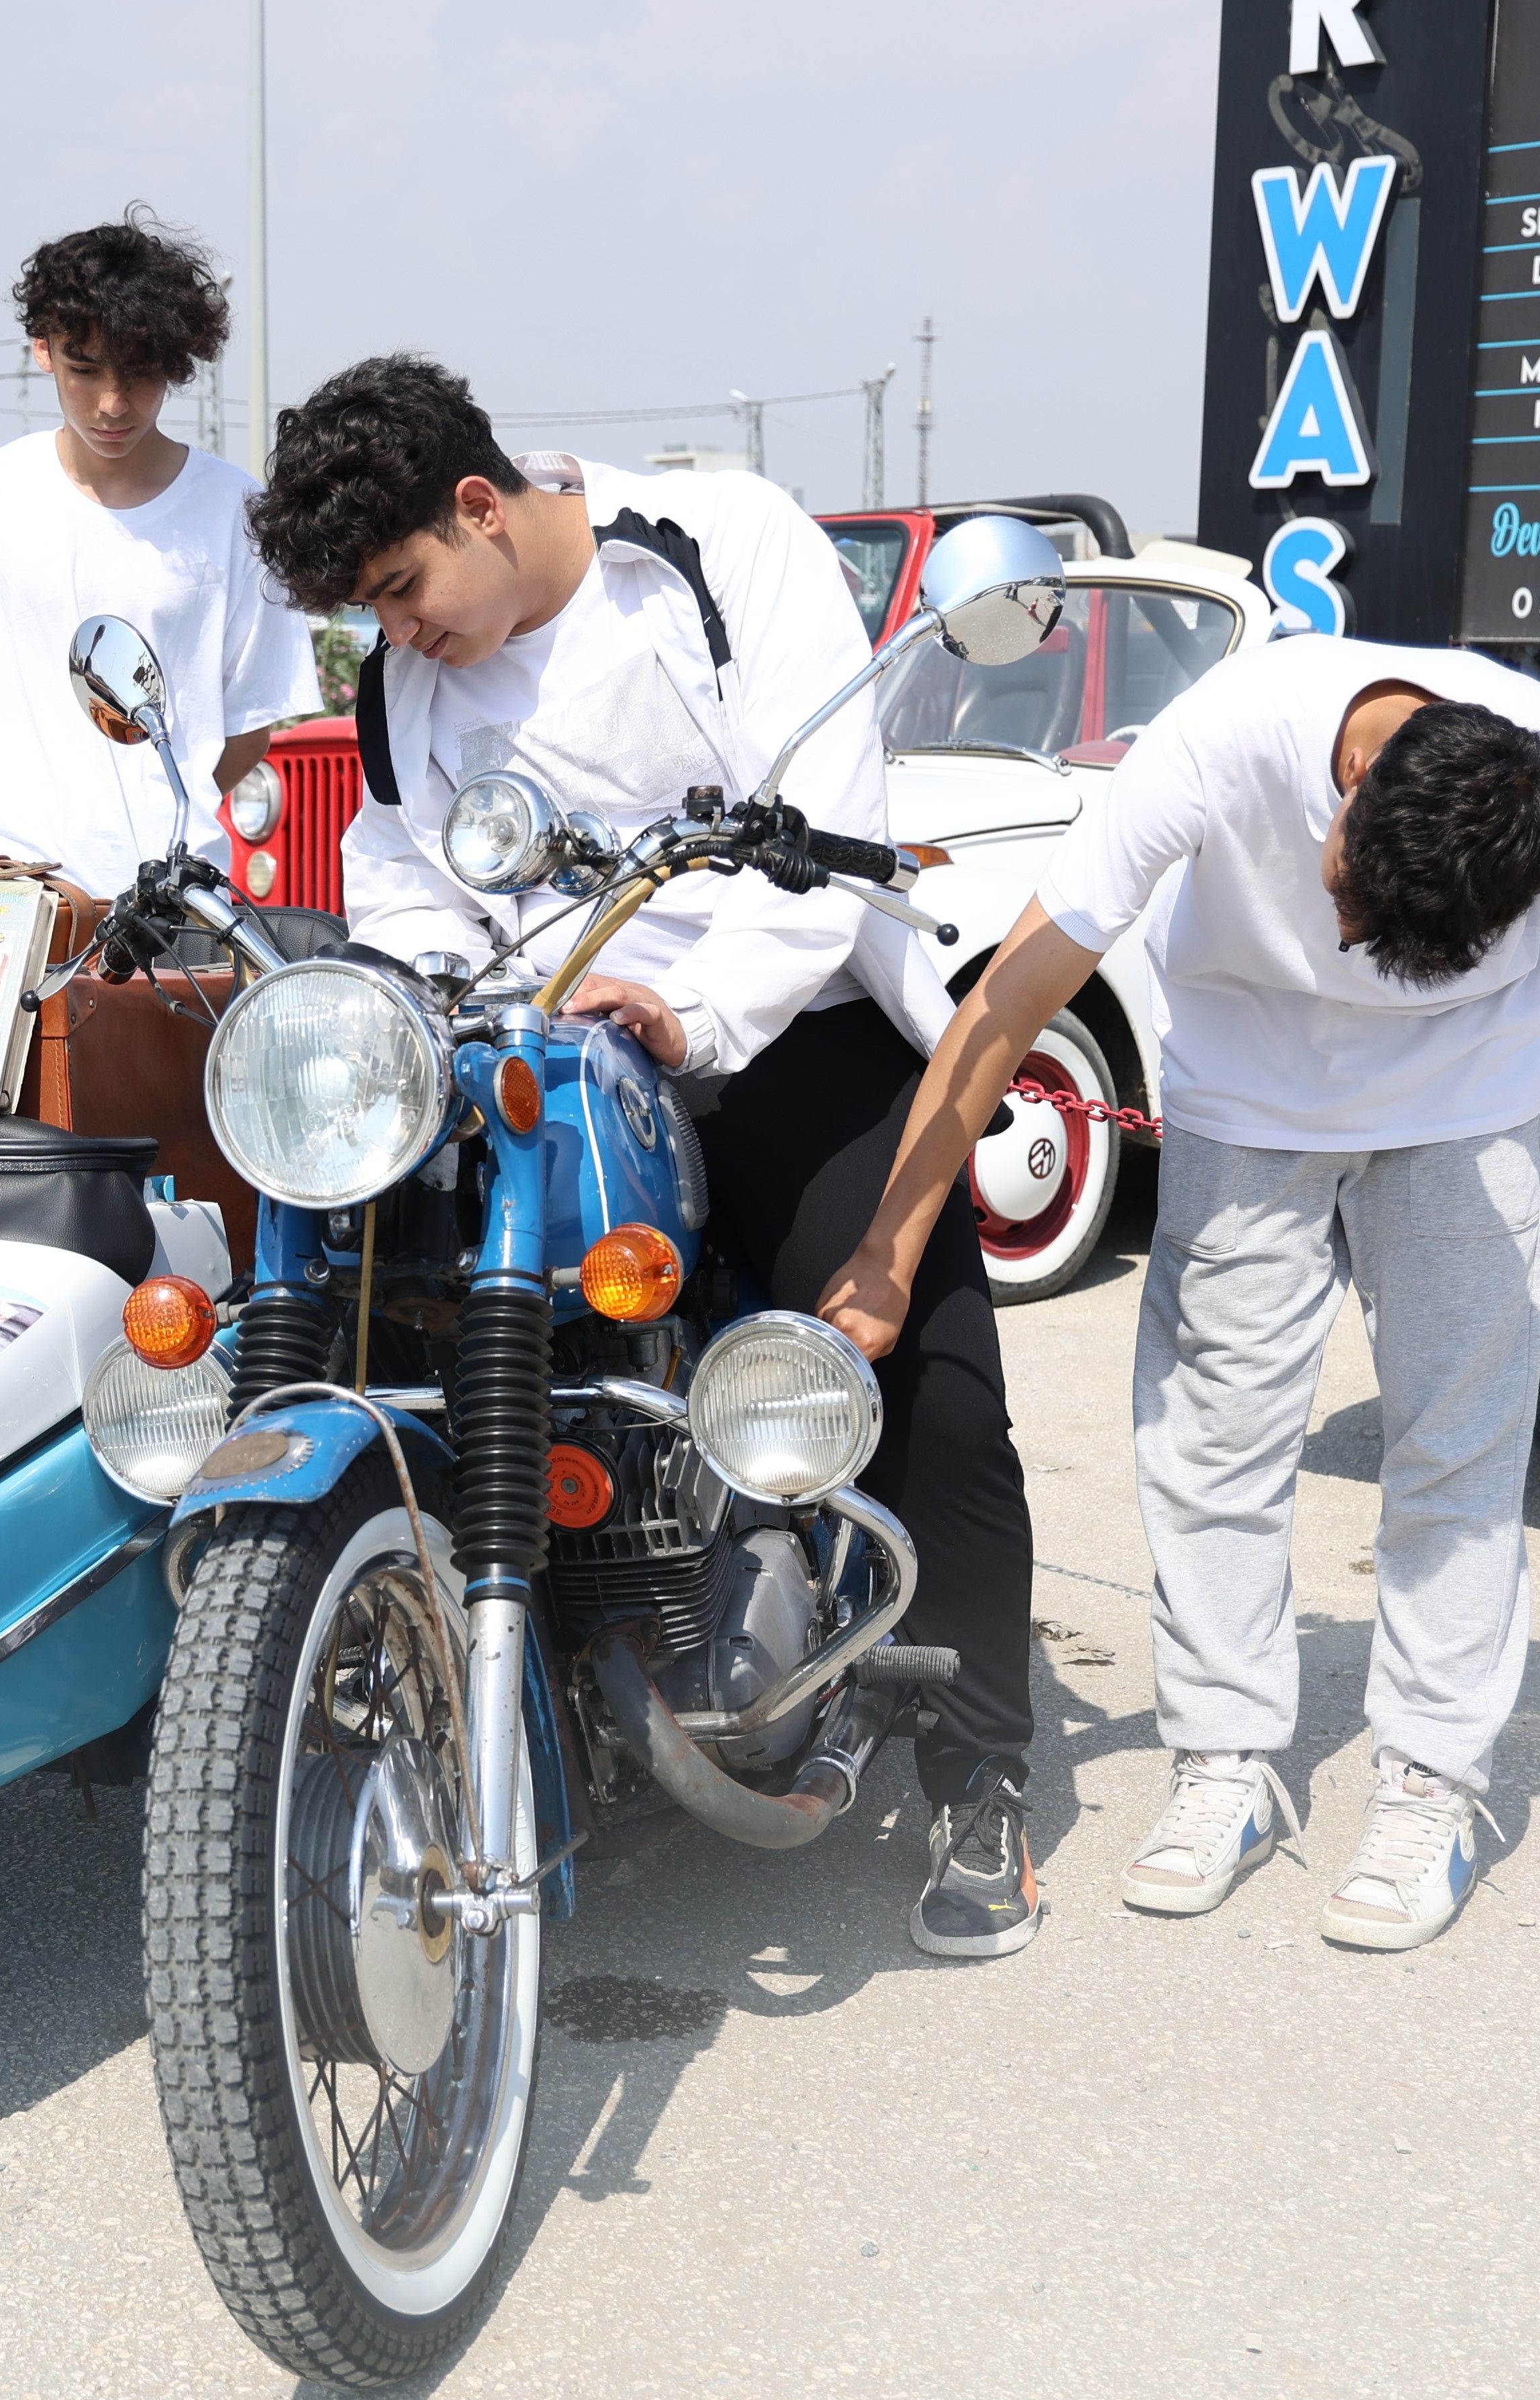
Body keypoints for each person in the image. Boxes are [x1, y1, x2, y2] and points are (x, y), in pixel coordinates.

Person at [244, 354, 1044, 1959]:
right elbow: (398, 866)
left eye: (404, 588)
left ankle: (981, 1774)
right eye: (370, 614)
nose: (401, 633)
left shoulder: (715, 539)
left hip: (778, 1011)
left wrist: (682, 1003)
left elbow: (831, 830)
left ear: (479, 507)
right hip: (534, 1059)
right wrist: (437, 995)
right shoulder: (404, 677)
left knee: (930, 1385)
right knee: (368, 1316)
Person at [818, 631, 1540, 1953]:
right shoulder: (1222, 735)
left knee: (1457, 1445)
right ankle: (1227, 1763)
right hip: (1245, 1100)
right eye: (1341, 890)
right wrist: (889, 1244)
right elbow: (1017, 991)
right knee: (1213, 1440)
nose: (1339, 933)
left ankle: (1433, 1779)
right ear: (1357, 779)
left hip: (1464, 1105)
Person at [0, 211, 318, 894]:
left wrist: (158, 817)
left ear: (176, 365)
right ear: (43, 348)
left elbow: (249, 729)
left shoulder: (237, 510)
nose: (112, 403)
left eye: (140, 375)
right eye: (85, 368)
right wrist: (21, 843)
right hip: (0, 890)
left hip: (171, 895)